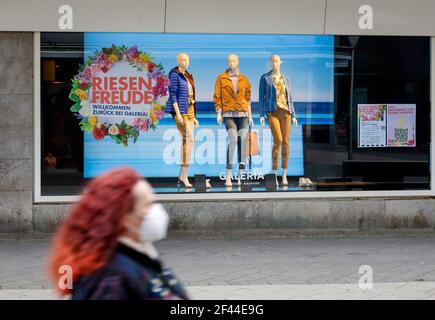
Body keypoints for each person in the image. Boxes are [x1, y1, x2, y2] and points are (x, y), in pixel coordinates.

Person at [49, 167, 189, 300]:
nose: (156, 210)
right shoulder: (110, 277)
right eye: (148, 204)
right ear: (124, 216)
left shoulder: (140, 253)